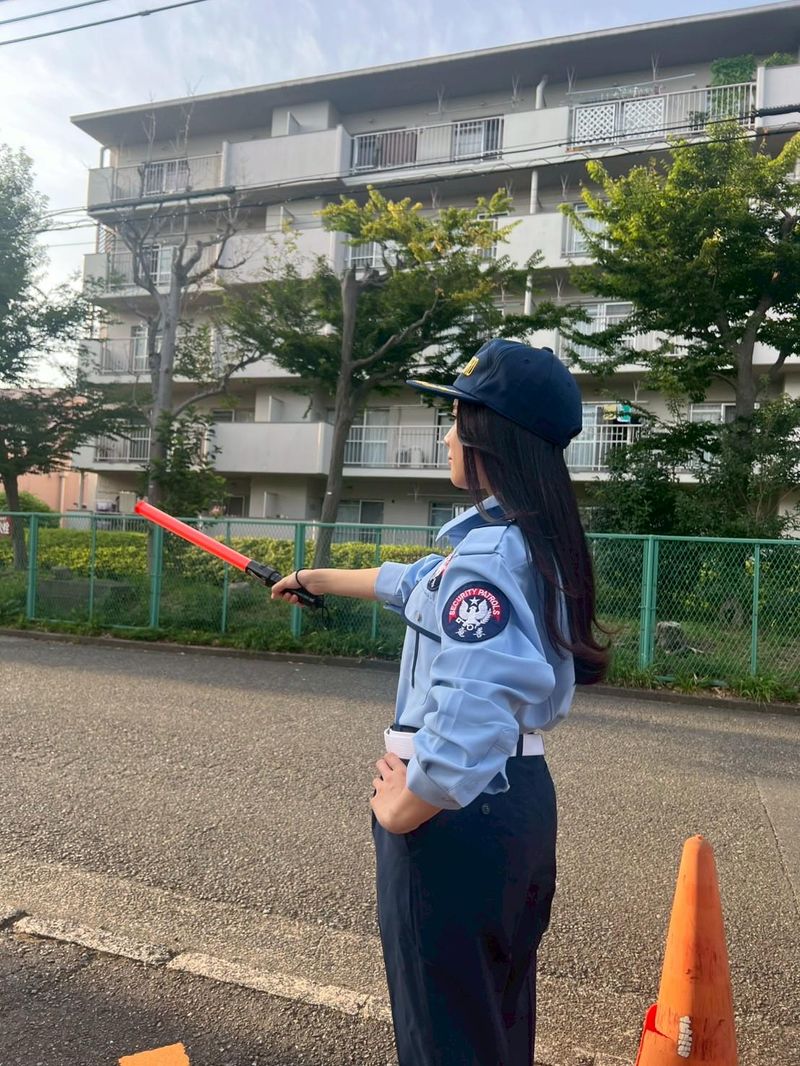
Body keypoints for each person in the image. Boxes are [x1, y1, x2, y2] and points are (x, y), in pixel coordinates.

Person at [271, 338, 610, 1066]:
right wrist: (317, 579)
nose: (447, 438)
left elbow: (474, 702)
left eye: (455, 421)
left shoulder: (485, 559)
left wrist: (410, 803)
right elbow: (416, 581)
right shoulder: (524, 542)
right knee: (493, 1023)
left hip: (459, 815)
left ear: (488, 434)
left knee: (445, 1039)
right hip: (514, 802)